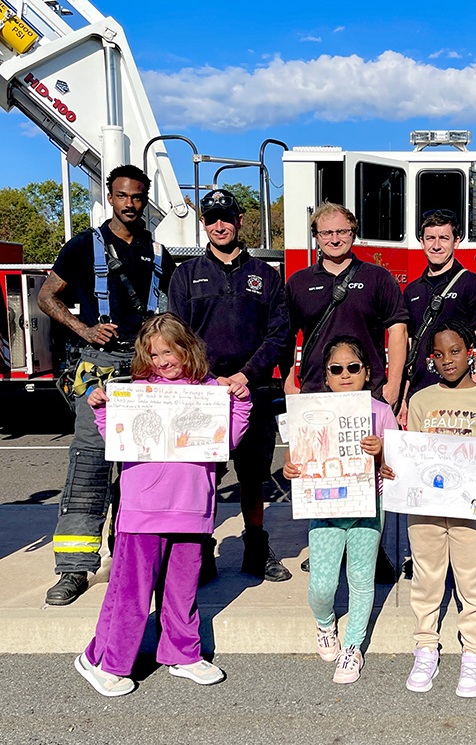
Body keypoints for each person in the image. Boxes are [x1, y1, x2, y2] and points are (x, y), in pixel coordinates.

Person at [74, 313, 251, 697]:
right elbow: (114, 439)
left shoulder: (208, 389)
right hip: (142, 510)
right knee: (130, 593)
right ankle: (105, 660)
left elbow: (230, 440)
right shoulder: (137, 390)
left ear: (186, 348)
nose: (161, 361)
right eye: (153, 355)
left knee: (182, 591)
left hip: (192, 508)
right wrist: (103, 408)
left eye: (167, 351)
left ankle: (182, 654)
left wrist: (240, 402)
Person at [38, 164, 175, 606]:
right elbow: (46, 296)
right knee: (89, 469)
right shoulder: (83, 246)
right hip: (99, 367)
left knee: (141, 472)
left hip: (145, 369)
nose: (130, 204)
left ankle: (132, 562)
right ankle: (74, 570)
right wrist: (83, 330)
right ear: (110, 197)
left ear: (145, 198)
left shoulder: (158, 251)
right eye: (122, 196)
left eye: (137, 197)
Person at [382, 320, 476, 698]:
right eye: (439, 354)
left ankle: (473, 654)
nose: (448, 360)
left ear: (471, 353)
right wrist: (396, 468)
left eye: (455, 351)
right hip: (425, 508)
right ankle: (426, 646)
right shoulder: (423, 400)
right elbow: (413, 455)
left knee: (472, 579)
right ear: (430, 360)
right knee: (426, 577)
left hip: (470, 510)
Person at [168, 188, 291, 583]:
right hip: (201, 394)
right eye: (211, 218)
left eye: (226, 217)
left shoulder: (266, 276)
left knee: (253, 474)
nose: (219, 225)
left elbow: (279, 335)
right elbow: (175, 335)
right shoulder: (185, 275)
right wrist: (203, 378)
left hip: (251, 391)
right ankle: (200, 551)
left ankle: (256, 547)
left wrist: (246, 375)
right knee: (203, 476)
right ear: (204, 224)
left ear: (240, 222)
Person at [284, 202, 408, 581]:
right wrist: (291, 379)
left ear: (353, 234)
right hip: (317, 394)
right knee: (322, 476)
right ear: (316, 238)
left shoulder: (377, 278)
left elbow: (398, 330)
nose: (334, 239)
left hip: (366, 390)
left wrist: (393, 382)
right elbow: (289, 335)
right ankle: (327, 548)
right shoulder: (299, 283)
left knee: (369, 475)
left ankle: (372, 553)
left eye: (341, 232)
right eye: (326, 233)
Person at [283, 335, 397, 684]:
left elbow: (398, 463)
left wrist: (380, 452)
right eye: (336, 369)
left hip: (367, 505)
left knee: (362, 580)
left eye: (353, 367)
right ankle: (324, 623)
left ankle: (353, 647)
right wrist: (290, 468)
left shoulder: (381, 411)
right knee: (321, 584)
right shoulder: (309, 411)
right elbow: (294, 456)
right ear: (326, 376)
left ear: (367, 372)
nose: (345, 374)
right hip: (325, 507)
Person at [401, 209, 476, 419]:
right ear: (421, 242)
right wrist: (405, 398)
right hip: (420, 396)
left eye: (444, 238)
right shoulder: (411, 291)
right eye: (430, 238)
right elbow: (411, 350)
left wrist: (472, 397)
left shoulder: (474, 286)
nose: (436, 245)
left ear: (457, 242)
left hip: (458, 397)